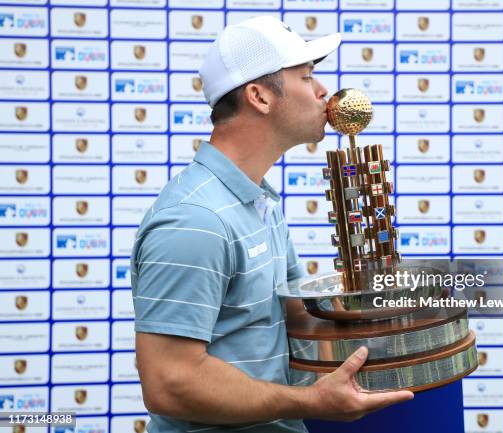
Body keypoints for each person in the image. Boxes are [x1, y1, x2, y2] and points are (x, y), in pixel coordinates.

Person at [130, 15, 414, 433]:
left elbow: (296, 313)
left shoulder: (258, 200)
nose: (323, 92)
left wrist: (385, 308)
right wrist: (311, 401)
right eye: (307, 77)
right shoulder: (196, 220)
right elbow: (170, 383)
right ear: (259, 97)